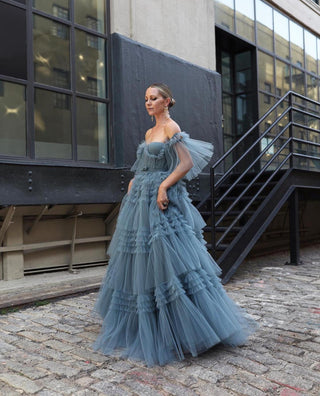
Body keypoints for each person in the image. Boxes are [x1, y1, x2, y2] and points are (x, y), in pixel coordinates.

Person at [93, 83, 256, 366]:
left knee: (168, 258)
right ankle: (144, 325)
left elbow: (186, 163)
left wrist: (163, 187)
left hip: (160, 200)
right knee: (140, 260)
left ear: (166, 101)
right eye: (145, 99)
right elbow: (145, 163)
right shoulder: (149, 132)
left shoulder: (171, 127)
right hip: (139, 198)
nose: (148, 103)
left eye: (153, 98)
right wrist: (135, 181)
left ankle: (184, 327)